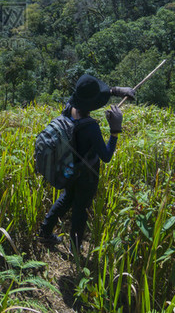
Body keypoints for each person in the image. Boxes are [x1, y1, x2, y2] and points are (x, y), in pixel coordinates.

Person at [37, 74, 135, 251]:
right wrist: (114, 131)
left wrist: (114, 91)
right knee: (80, 210)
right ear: (92, 105)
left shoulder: (69, 108)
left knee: (66, 198)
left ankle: (44, 232)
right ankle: (75, 248)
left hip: (68, 168)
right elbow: (106, 156)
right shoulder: (91, 127)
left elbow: (86, 96)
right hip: (87, 175)